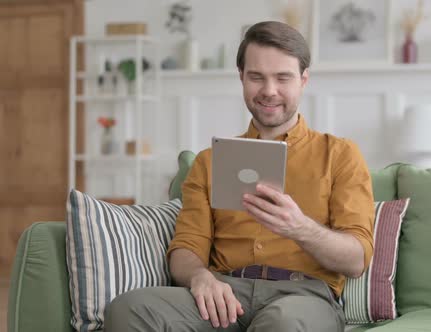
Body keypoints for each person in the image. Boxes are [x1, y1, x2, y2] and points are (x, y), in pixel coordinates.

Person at [105, 21, 375, 332]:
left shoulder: (340, 155)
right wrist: (199, 277)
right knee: (129, 309)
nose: (269, 91)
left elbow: (356, 260)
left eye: (283, 78)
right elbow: (186, 248)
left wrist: (300, 228)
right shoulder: (209, 162)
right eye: (256, 77)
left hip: (304, 297)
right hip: (223, 295)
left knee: (282, 323)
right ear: (242, 78)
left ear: (303, 80)